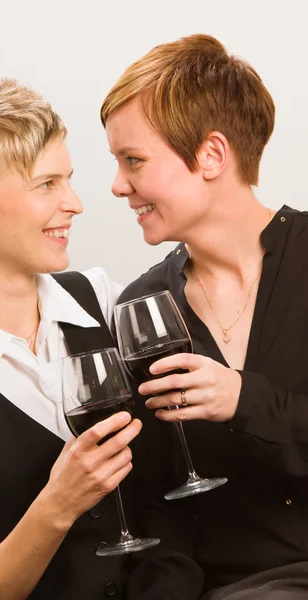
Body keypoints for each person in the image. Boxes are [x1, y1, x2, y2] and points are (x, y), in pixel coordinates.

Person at [0, 78, 144, 600]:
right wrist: (57, 505)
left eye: (69, 180)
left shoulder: (102, 300)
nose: (76, 203)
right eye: (47, 185)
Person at [101, 34, 308, 599]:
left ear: (211, 155)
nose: (118, 185)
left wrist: (244, 401)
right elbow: (158, 512)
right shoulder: (140, 310)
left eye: (134, 160)